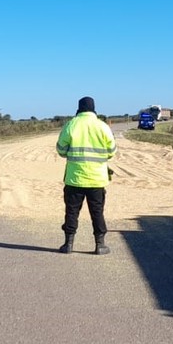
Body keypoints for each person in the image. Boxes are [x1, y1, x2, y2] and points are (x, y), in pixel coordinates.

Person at [55, 96, 116, 255]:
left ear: (79, 109)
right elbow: (112, 151)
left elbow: (61, 150)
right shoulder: (102, 126)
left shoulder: (71, 125)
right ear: (94, 109)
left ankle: (68, 244)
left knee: (71, 212)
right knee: (97, 212)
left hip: (74, 179)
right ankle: (100, 245)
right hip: (97, 179)